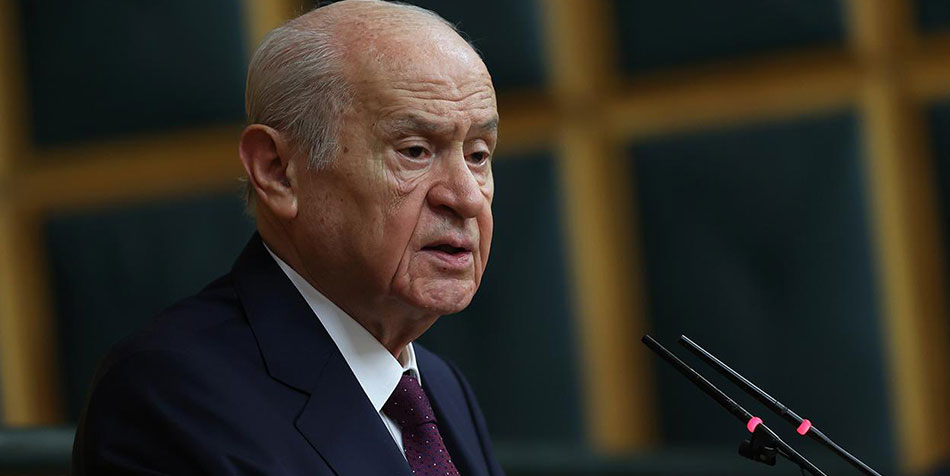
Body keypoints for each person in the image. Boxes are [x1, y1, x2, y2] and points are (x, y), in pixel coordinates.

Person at [70, 1, 503, 474]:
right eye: (415, 151)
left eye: (478, 155)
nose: (467, 198)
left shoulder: (440, 387)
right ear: (278, 171)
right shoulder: (169, 396)